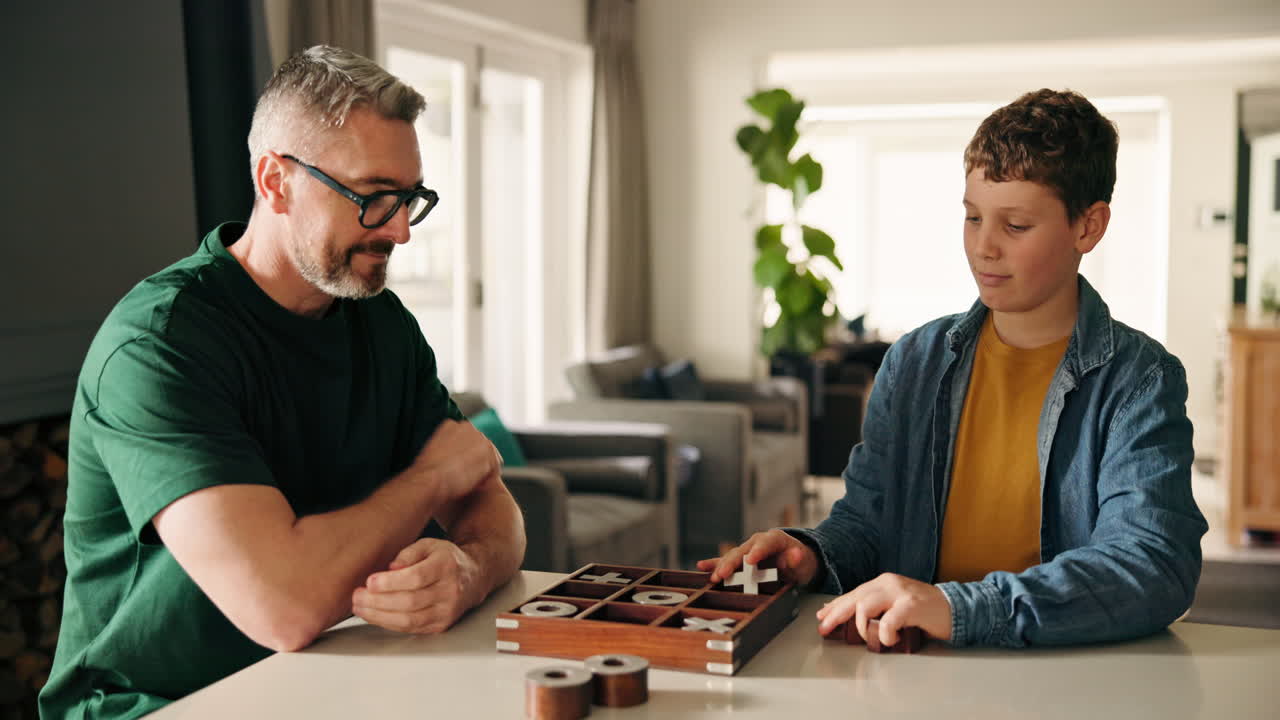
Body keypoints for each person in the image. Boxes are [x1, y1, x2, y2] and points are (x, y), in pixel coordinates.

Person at [40, 46, 526, 719]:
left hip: (327, 675)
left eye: (411, 198)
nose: (401, 232)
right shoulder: (160, 343)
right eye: (374, 197)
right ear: (275, 181)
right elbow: (286, 607)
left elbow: (489, 499)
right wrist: (428, 482)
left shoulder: (379, 321)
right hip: (156, 705)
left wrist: (468, 573)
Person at [701, 88, 1207, 650]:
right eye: (972, 218)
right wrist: (811, 555)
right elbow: (868, 524)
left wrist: (957, 606)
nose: (983, 247)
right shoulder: (914, 360)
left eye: (1015, 226)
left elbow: (1151, 566)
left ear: (1088, 227)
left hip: (1063, 676)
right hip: (914, 666)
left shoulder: (1140, 380)